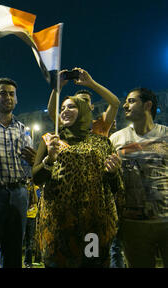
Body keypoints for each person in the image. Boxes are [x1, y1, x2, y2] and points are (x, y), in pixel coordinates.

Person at [32, 96, 124, 268]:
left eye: (71, 107)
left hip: (93, 226)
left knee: (92, 264)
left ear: (83, 112)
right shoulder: (51, 141)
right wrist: (49, 160)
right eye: (62, 108)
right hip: (58, 226)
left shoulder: (102, 143)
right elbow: (37, 178)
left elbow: (115, 187)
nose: (65, 111)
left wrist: (112, 173)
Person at [0, 78, 36, 268]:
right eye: (3, 93)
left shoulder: (21, 129)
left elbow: (28, 168)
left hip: (19, 194)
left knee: (13, 252)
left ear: (17, 99)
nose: (8, 97)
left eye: (12, 94)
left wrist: (34, 161)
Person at [110, 88, 167, 268]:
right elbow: (111, 181)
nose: (125, 105)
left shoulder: (165, 135)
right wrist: (111, 172)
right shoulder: (116, 139)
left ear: (147, 105)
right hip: (133, 225)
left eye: (132, 101)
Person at [47, 67, 120, 137]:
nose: (82, 103)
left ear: (92, 107)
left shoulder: (100, 125)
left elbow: (115, 103)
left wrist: (91, 83)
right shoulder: (67, 124)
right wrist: (58, 87)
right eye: (78, 102)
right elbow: (52, 111)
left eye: (85, 100)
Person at [23, 181, 39, 268]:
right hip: (22, 215)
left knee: (29, 241)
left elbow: (36, 200)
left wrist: (32, 189)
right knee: (20, 240)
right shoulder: (22, 188)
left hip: (31, 217)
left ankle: (28, 262)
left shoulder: (36, 188)